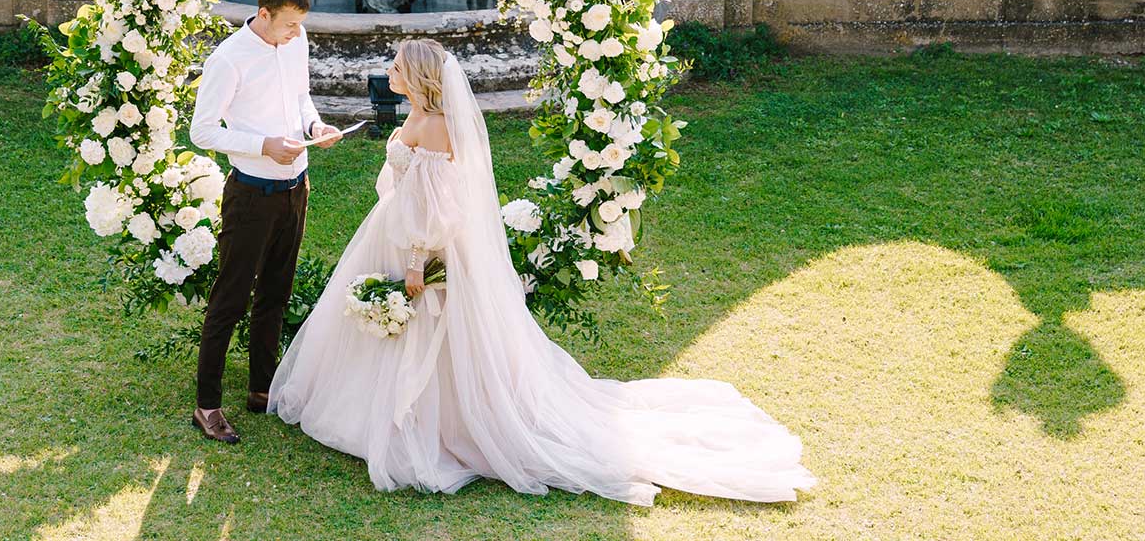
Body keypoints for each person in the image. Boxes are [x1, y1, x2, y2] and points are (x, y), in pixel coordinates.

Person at [268, 38, 819, 506]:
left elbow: (440, 205)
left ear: (414, 76)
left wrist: (416, 261)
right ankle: (374, 411)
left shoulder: (435, 125)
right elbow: (413, 187)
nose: (388, 72)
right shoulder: (417, 114)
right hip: (394, 232)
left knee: (430, 331)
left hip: (420, 245)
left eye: (395, 66)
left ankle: (436, 425)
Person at [188, 0, 341, 444]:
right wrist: (262, 145)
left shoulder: (297, 40)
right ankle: (207, 405)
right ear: (263, 14)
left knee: (275, 293)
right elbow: (203, 131)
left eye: (300, 24)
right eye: (289, 24)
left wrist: (314, 128)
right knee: (230, 298)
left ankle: (261, 389)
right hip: (250, 192)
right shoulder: (229, 59)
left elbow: (301, 98)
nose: (297, 33)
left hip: (297, 187)